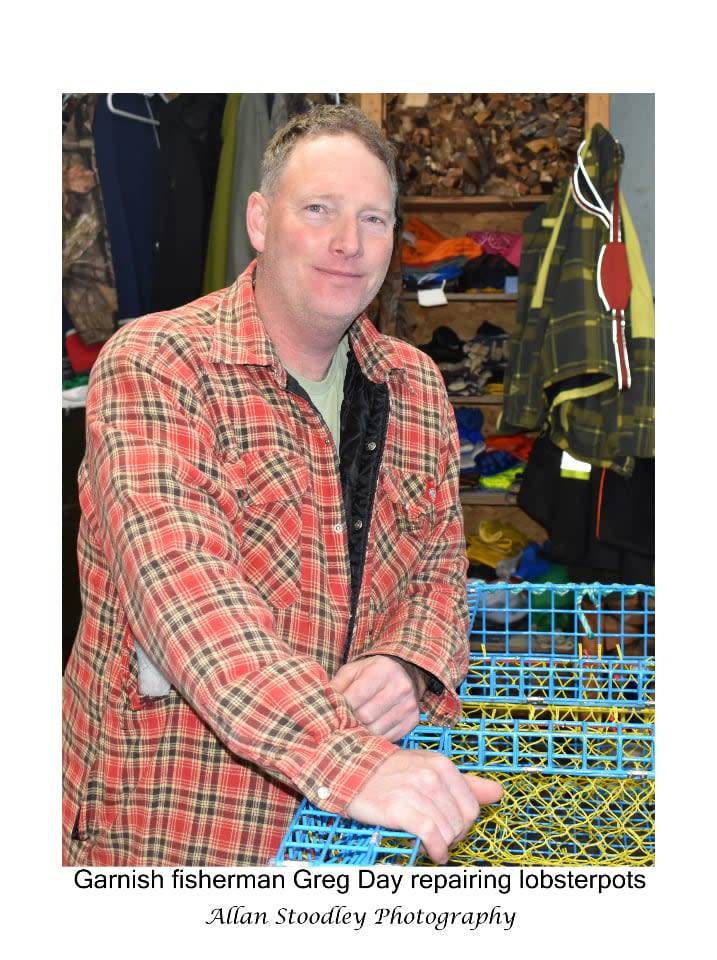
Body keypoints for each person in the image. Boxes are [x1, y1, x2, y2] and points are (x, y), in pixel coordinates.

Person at [62, 102, 503, 868]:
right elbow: (183, 591)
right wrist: (351, 761)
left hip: (343, 830)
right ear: (260, 220)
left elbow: (437, 562)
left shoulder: (414, 384)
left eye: (373, 219)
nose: (347, 244)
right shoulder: (157, 364)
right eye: (320, 210)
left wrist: (409, 663)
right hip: (171, 820)